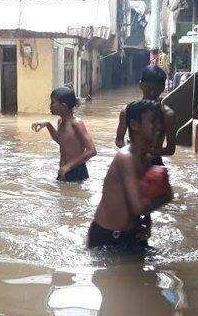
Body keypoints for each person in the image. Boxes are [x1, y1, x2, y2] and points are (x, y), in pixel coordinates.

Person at [88, 100, 173, 249]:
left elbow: (143, 198)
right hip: (107, 238)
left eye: (160, 121)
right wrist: (166, 197)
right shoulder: (125, 157)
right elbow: (139, 207)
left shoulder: (146, 159)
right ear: (135, 125)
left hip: (132, 234)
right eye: (153, 121)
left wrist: (147, 224)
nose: (159, 127)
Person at [115, 64, 176, 166]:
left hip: (155, 163)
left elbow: (170, 149)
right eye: (148, 88)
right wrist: (131, 152)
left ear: (162, 88)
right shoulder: (127, 111)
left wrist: (147, 153)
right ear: (141, 85)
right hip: (132, 161)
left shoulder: (167, 115)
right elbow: (119, 140)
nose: (152, 93)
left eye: (156, 89)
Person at [32, 86, 97, 182]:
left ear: (63, 106)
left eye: (53, 102)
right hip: (64, 170)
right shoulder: (60, 121)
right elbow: (60, 141)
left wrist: (69, 166)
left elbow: (92, 151)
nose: (50, 106)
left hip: (76, 171)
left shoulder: (76, 123)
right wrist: (48, 125)